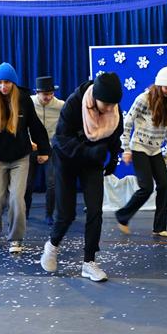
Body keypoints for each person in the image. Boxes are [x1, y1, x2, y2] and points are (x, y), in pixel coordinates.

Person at [40, 73, 123, 282]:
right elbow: (60, 140)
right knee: (66, 214)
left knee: (95, 210)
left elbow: (115, 135)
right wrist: (88, 151)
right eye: (106, 104)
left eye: (113, 105)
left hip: (92, 162)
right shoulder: (74, 104)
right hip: (66, 159)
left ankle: (89, 262)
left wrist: (113, 157)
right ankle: (52, 245)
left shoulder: (113, 109)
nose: (110, 109)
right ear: (95, 97)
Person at [0, 63, 50, 253]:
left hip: (20, 158)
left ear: (13, 82)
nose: (3, 86)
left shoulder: (23, 100)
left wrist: (43, 150)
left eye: (6, 82)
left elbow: (36, 126)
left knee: (16, 200)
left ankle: (16, 238)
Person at [116, 65, 167, 237]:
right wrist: (126, 149)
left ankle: (159, 227)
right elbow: (127, 123)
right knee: (147, 187)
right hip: (139, 148)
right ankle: (122, 215)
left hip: (155, 150)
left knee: (164, 185)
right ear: (159, 86)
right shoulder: (143, 99)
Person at [24, 75, 65, 225]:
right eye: (45, 94)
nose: (49, 97)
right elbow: (22, 124)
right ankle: (25, 212)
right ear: (37, 92)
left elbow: (64, 127)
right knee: (27, 184)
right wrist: (30, 142)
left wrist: (50, 147)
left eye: (51, 93)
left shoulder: (61, 105)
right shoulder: (28, 102)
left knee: (52, 182)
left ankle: (49, 214)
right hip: (32, 146)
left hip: (51, 148)